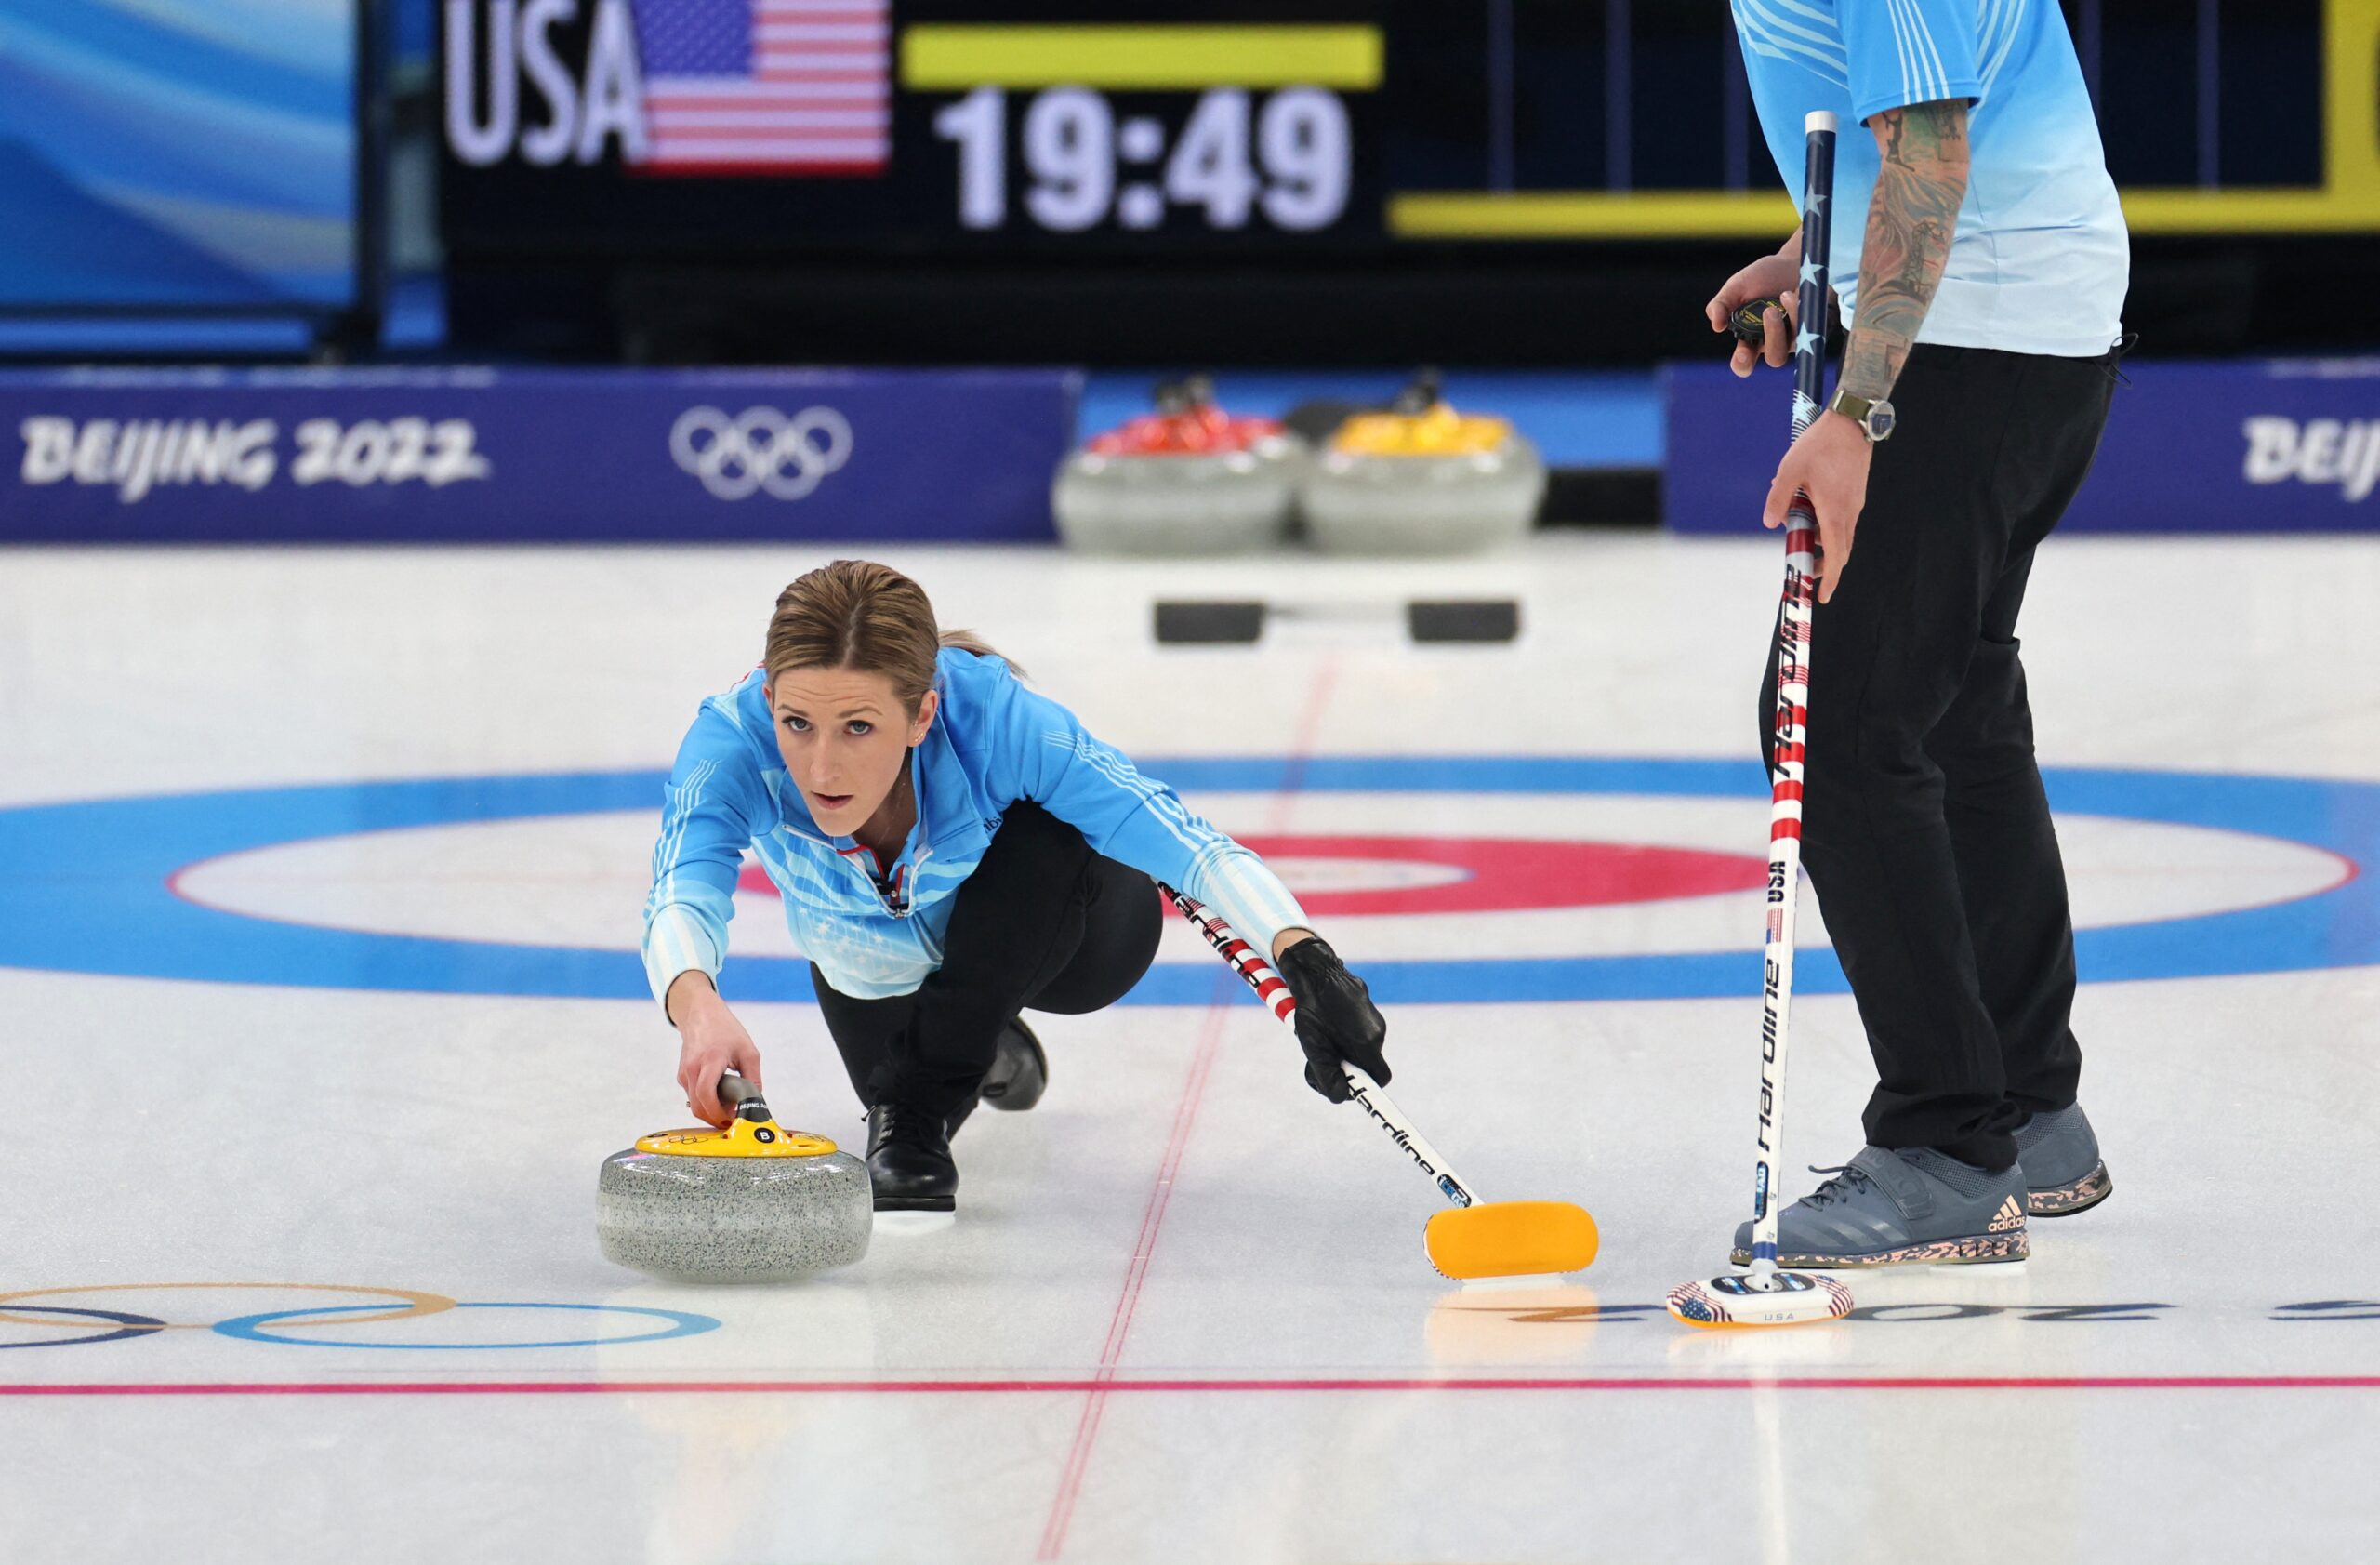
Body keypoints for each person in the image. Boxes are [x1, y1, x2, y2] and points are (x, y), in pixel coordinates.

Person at [1705, 0, 2126, 1267]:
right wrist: (1816, 256)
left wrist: (1860, 410)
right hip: (2011, 328)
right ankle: (2029, 1108)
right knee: (1951, 709)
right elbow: (1911, 127)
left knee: (1838, 725)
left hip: (1971, 341)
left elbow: (1933, 151)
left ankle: (1946, 1147)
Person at [641, 559, 1391, 1214]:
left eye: (859, 727)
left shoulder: (999, 719)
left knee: (1038, 840)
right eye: (797, 723)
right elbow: (680, 887)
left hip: (1079, 940)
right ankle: (984, 1040)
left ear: (922, 713)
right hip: (872, 964)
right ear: (770, 698)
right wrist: (696, 1003)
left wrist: (1306, 956)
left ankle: (941, 1069)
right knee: (900, 1068)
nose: (821, 768)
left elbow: (1186, 843)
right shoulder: (732, 741)